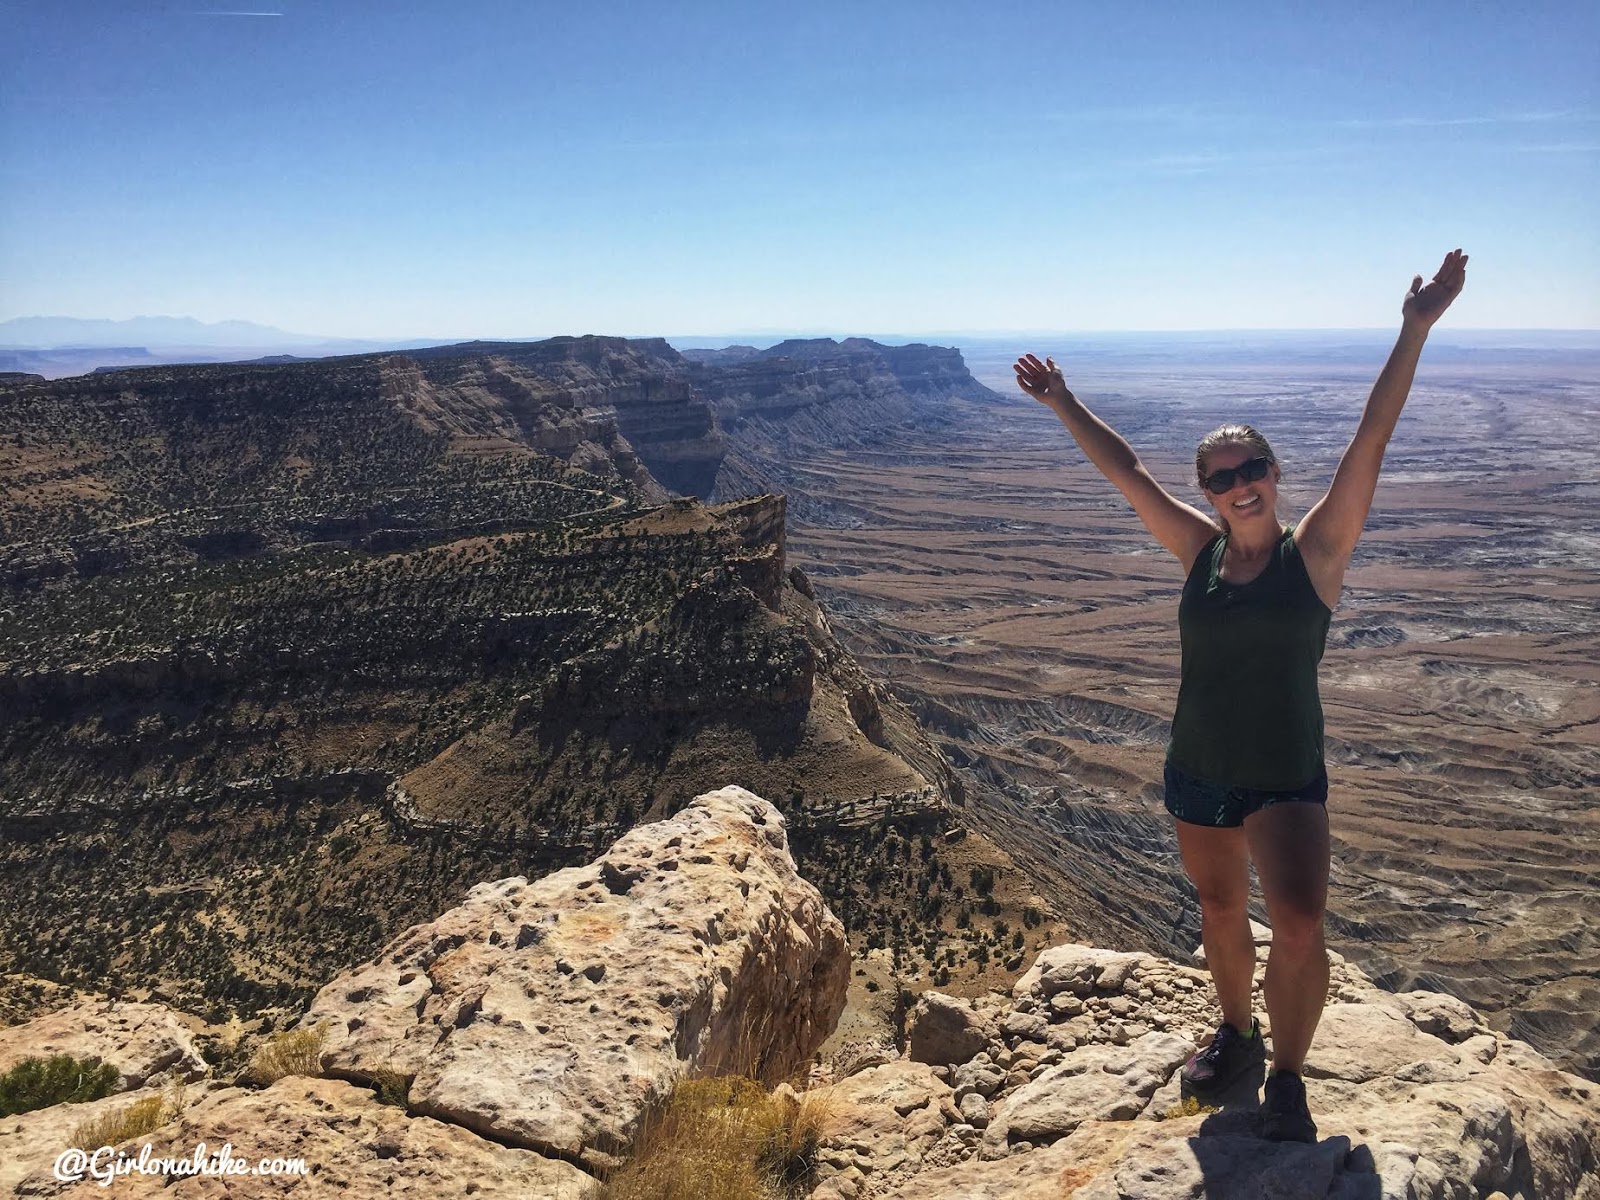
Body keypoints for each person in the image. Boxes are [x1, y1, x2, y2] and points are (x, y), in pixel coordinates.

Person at [1012, 250, 1468, 1142]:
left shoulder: (1317, 554)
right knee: (1220, 911)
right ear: (1209, 495)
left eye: (1248, 466)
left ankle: (1290, 1080)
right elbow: (1129, 473)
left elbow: (1368, 442)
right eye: (1218, 477)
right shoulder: (1200, 554)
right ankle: (1237, 1035)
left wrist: (1413, 330)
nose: (1235, 484)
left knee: (1296, 925)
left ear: (1273, 471)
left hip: (1284, 771)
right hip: (1199, 767)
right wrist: (1064, 402)